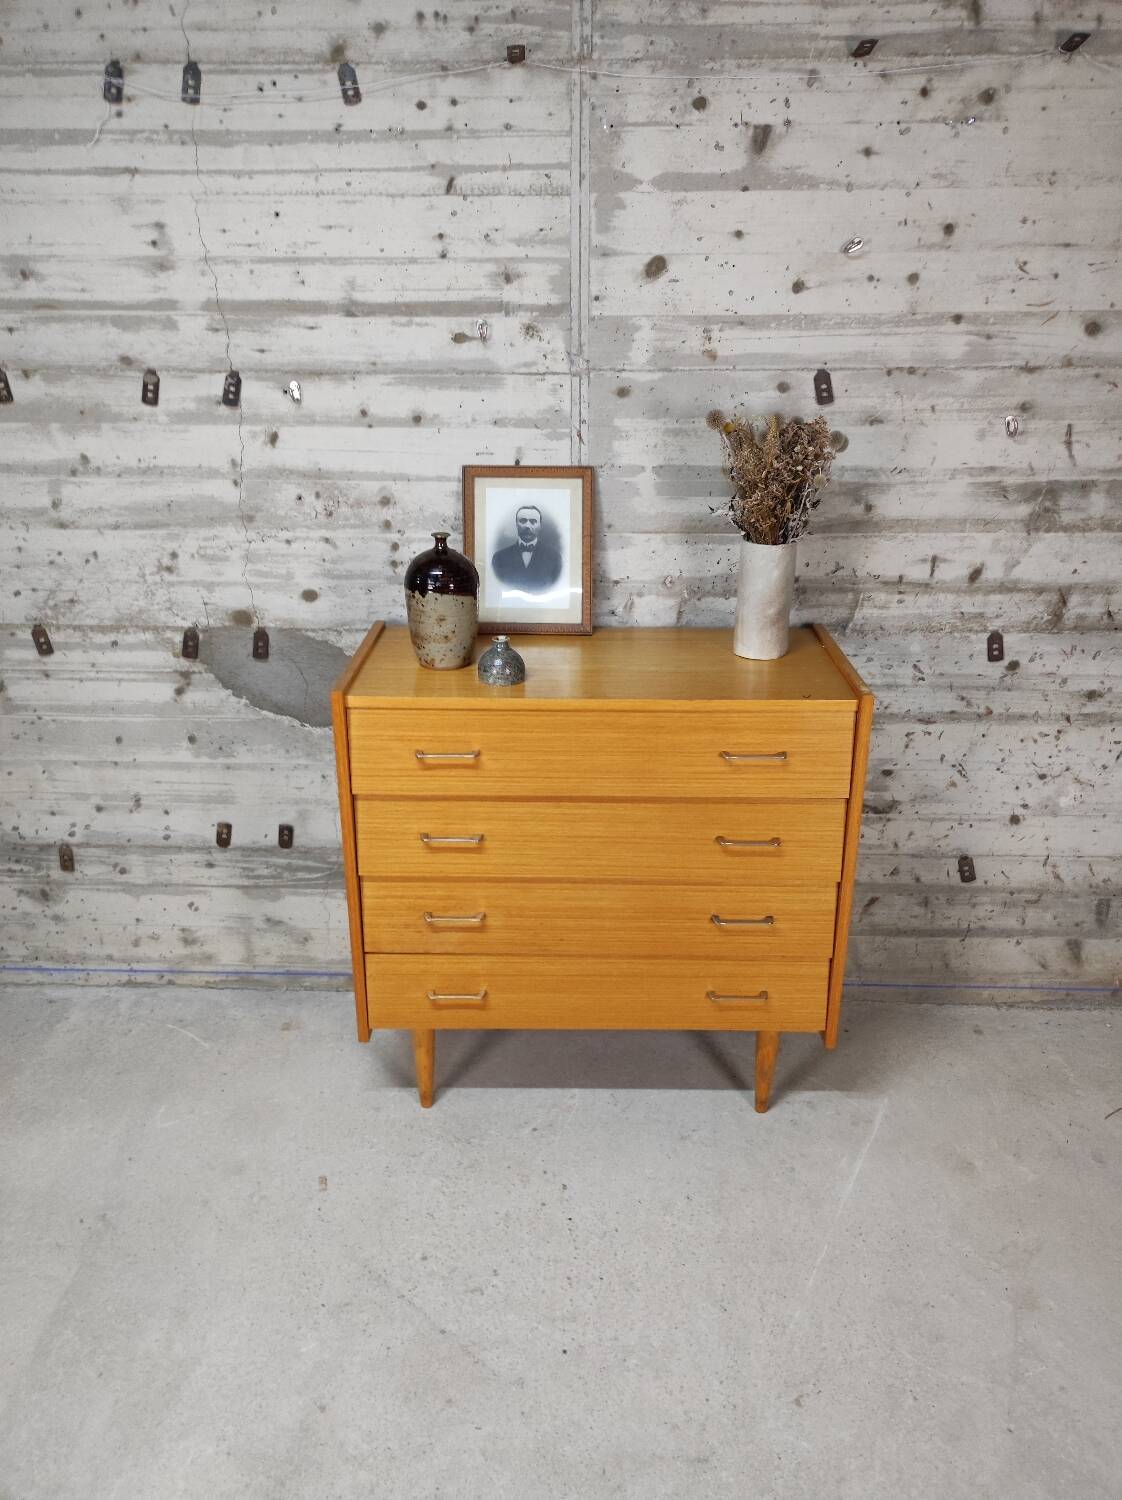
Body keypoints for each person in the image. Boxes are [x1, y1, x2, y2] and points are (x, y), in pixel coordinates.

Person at [490, 505, 564, 593]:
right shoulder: (499, 558)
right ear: (516, 524)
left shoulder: (554, 558)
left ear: (540, 525)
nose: (527, 526)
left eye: (533, 522)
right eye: (523, 521)